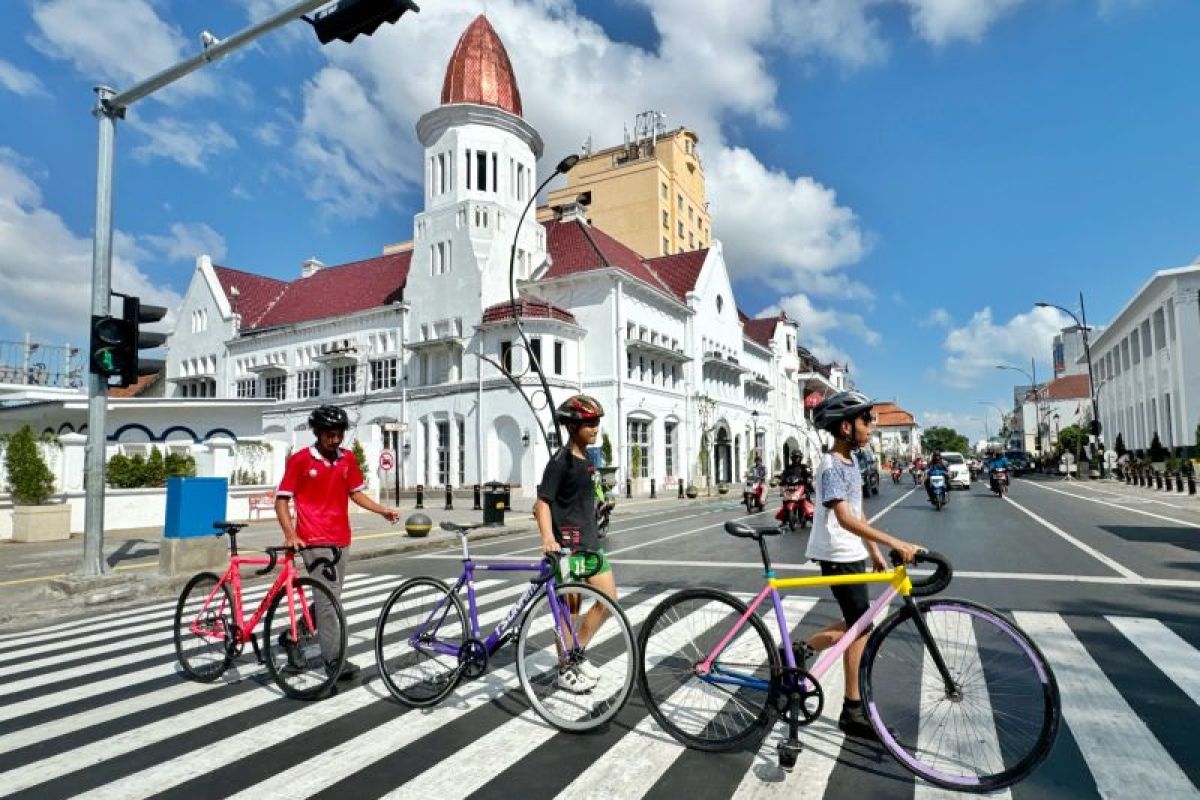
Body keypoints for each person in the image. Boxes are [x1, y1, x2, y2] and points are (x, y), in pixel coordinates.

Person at [805, 391, 922, 739]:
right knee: (861, 624)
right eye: (865, 421)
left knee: (860, 623)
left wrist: (873, 551)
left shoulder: (851, 463)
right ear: (845, 427)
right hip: (837, 553)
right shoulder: (830, 466)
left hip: (852, 552)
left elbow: (859, 513)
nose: (872, 427)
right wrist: (895, 543)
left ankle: (806, 655)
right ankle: (849, 707)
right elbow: (843, 518)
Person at [275, 404, 400, 681]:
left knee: (329, 598)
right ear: (317, 433)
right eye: (329, 434)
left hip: (341, 539)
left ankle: (292, 637)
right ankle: (333, 660)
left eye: (339, 434)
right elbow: (281, 500)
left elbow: (356, 494)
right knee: (329, 600)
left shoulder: (346, 459)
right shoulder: (300, 461)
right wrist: (290, 534)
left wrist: (383, 511)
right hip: (312, 540)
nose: (335, 439)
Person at [533, 394, 617, 693]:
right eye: (589, 423)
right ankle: (564, 667)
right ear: (571, 426)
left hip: (592, 544)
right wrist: (548, 539)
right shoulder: (560, 463)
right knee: (569, 614)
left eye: (597, 423)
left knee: (610, 601)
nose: (595, 428)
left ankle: (575, 654)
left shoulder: (587, 458)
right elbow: (541, 505)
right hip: (569, 548)